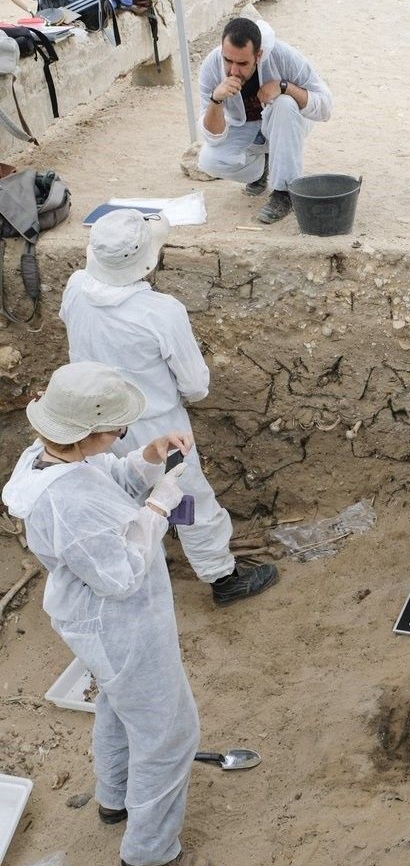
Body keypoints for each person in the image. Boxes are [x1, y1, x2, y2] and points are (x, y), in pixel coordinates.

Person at [2, 362, 208, 866]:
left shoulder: (45, 457)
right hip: (120, 623)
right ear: (85, 433)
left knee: (119, 703)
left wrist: (145, 458)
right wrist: (159, 508)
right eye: (116, 429)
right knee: (169, 731)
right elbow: (119, 576)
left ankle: (114, 796)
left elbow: (105, 482)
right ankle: (151, 852)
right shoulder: (68, 504)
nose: (121, 435)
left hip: (99, 623)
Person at [59, 208, 278, 607]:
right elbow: (195, 385)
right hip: (155, 427)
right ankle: (222, 578)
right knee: (188, 500)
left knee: (120, 498)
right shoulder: (161, 311)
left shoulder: (75, 287)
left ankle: (141, 568)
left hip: (90, 425)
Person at [197, 16, 332, 224]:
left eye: (242, 63)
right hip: (247, 129)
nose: (233, 70)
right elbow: (213, 137)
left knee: (284, 104)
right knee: (209, 160)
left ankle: (284, 192)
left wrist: (285, 86)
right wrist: (216, 99)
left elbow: (325, 107)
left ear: (258, 55)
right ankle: (261, 171)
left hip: (287, 121)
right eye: (228, 60)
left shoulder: (283, 55)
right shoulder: (211, 66)